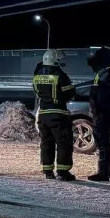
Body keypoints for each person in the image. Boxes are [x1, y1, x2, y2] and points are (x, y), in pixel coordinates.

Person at [32, 49, 76, 181]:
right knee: (63, 143)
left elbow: (36, 91)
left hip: (43, 114)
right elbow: (69, 93)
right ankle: (63, 172)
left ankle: (48, 171)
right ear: (56, 60)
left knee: (46, 142)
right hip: (58, 114)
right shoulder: (60, 75)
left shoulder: (37, 75)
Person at [87, 46, 110, 181]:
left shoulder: (108, 73)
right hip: (103, 112)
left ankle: (103, 173)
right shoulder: (107, 72)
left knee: (103, 143)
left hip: (102, 112)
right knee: (106, 142)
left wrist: (97, 111)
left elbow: (101, 95)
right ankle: (107, 171)